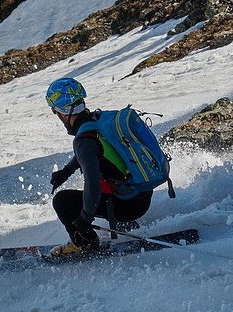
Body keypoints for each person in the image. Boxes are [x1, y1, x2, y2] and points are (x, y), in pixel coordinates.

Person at [46, 77, 153, 257]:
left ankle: (84, 243)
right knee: (107, 181)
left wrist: (83, 221)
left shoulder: (84, 141)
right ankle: (125, 224)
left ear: (62, 111)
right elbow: (97, 151)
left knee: (62, 201)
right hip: (142, 193)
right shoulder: (98, 120)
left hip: (129, 206)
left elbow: (93, 185)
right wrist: (67, 171)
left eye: (54, 111)